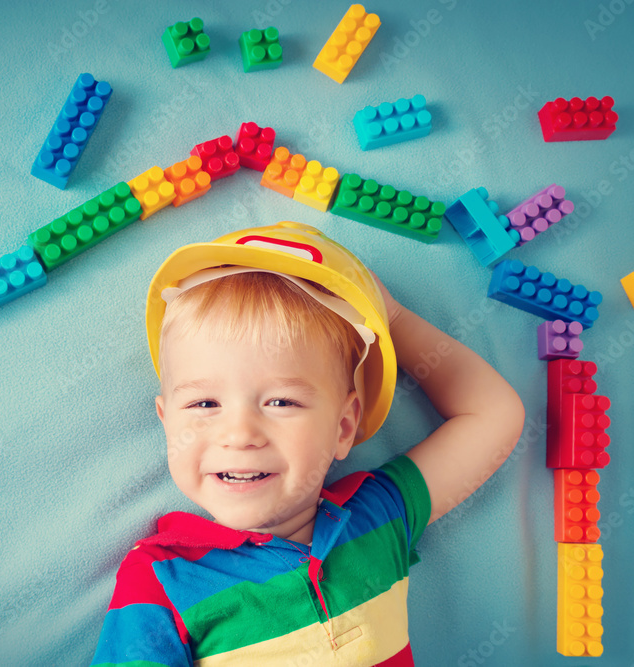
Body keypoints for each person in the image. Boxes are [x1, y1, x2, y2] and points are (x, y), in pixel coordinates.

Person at [90, 221, 525, 666]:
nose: (239, 434)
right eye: (204, 403)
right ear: (166, 422)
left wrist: (393, 320)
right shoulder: (163, 577)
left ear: (342, 427)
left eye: (281, 401)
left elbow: (493, 416)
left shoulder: (376, 516)